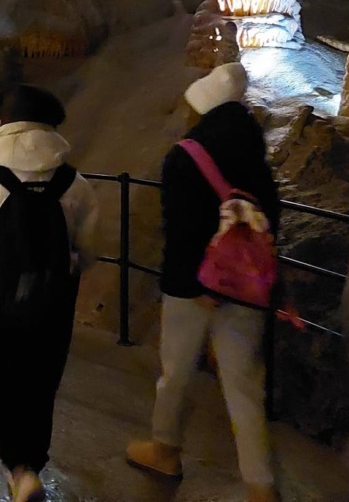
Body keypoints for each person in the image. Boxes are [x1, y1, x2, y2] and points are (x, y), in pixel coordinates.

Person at [126, 63, 281, 502]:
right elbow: (269, 220)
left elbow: (181, 229)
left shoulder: (186, 156)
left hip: (193, 287)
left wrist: (197, 286)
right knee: (245, 385)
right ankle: (260, 486)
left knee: (175, 373)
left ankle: (165, 450)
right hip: (248, 285)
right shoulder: (256, 155)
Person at [0, 85, 98, 502]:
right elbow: (87, 249)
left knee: (1, 378)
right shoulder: (74, 182)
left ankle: (18, 467)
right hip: (53, 302)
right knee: (41, 380)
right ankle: (33, 461)